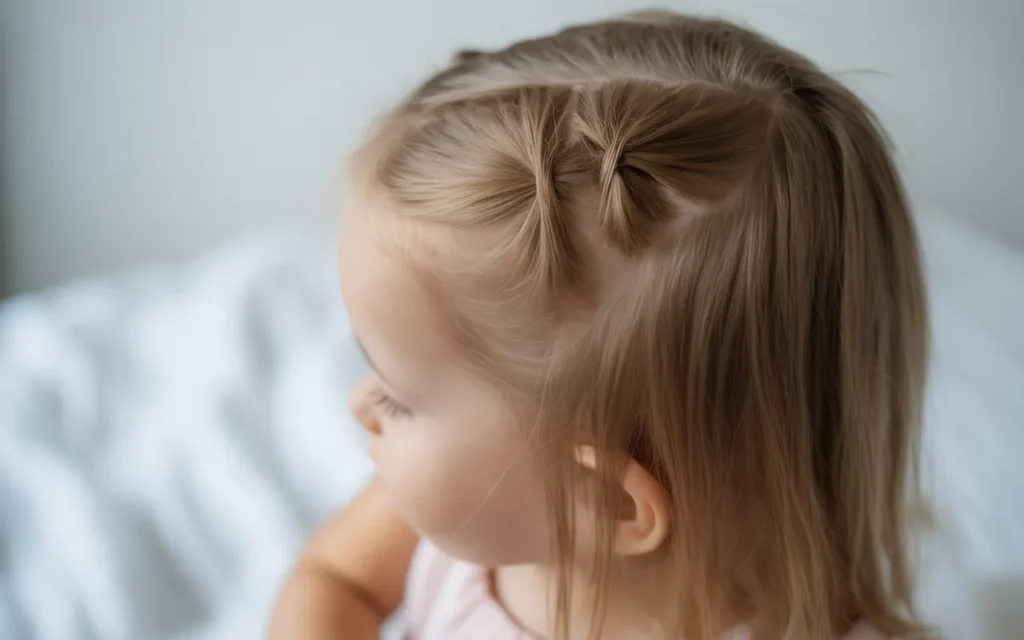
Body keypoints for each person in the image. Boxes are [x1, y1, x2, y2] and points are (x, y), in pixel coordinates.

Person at [270, 10, 932, 640]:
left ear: (606, 502)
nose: (360, 403)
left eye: (398, 396)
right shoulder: (476, 515)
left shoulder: (481, 506)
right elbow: (336, 579)